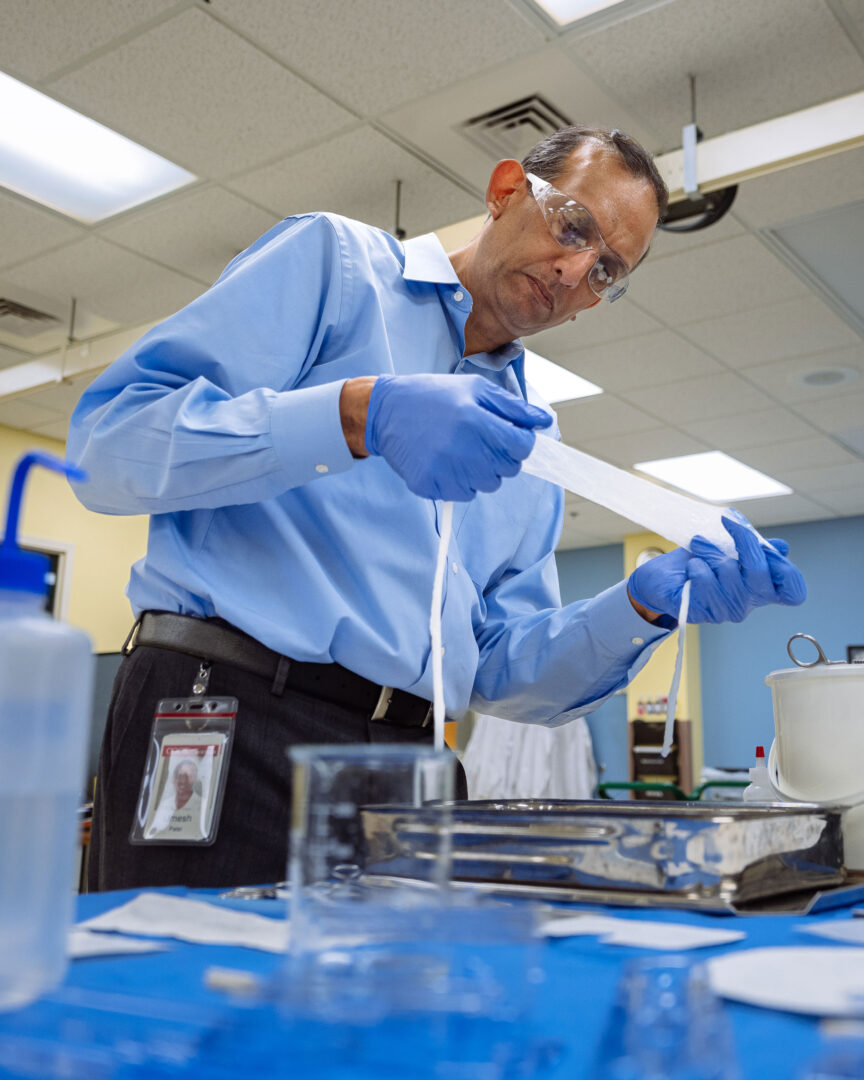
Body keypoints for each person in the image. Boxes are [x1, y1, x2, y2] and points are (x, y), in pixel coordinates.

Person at [68, 124, 806, 891]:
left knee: (399, 1007)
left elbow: (496, 669)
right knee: (192, 995)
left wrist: (639, 610)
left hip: (417, 763)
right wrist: (358, 414)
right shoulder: (336, 268)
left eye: (606, 270)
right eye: (574, 226)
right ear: (504, 191)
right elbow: (109, 445)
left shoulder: (531, 443)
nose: (575, 268)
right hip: (229, 715)